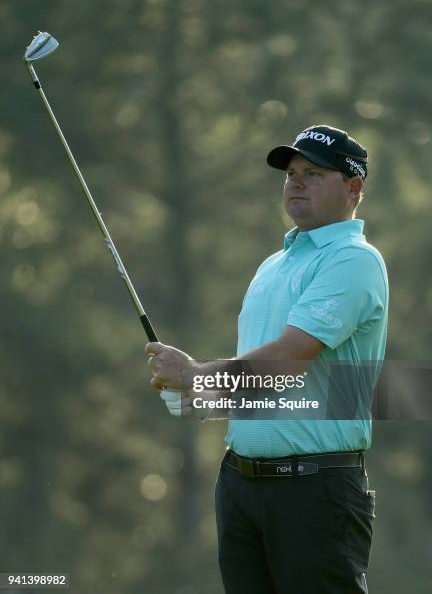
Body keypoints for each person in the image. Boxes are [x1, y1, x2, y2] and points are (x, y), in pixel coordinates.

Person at [145, 125, 389, 594]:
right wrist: (203, 393)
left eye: (314, 173)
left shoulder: (353, 259)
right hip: (240, 483)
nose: (296, 182)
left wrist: (197, 376)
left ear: (353, 187)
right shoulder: (274, 264)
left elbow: (291, 359)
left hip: (315, 489)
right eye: (292, 173)